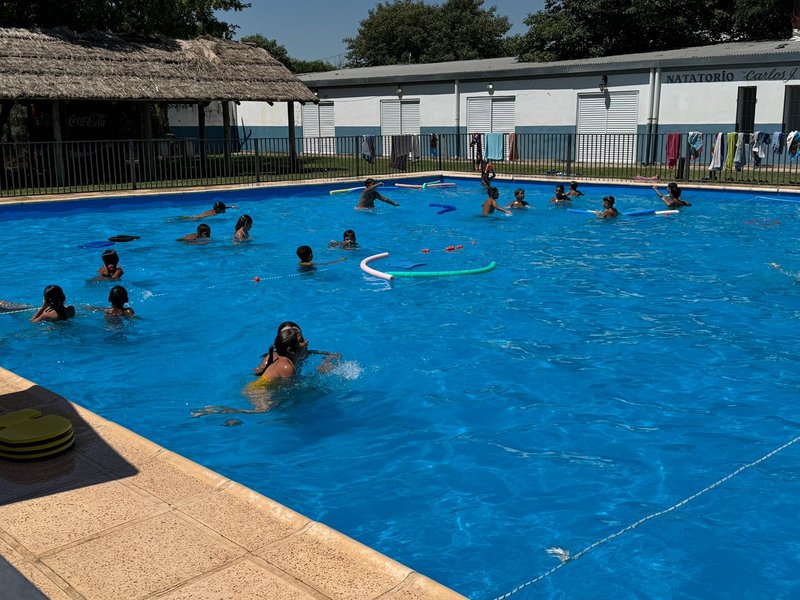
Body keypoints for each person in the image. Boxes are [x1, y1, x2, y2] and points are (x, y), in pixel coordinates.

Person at [252, 321, 340, 377]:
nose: (306, 341)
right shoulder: (280, 362)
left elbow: (336, 354)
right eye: (301, 340)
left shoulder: (307, 354)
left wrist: (325, 363)